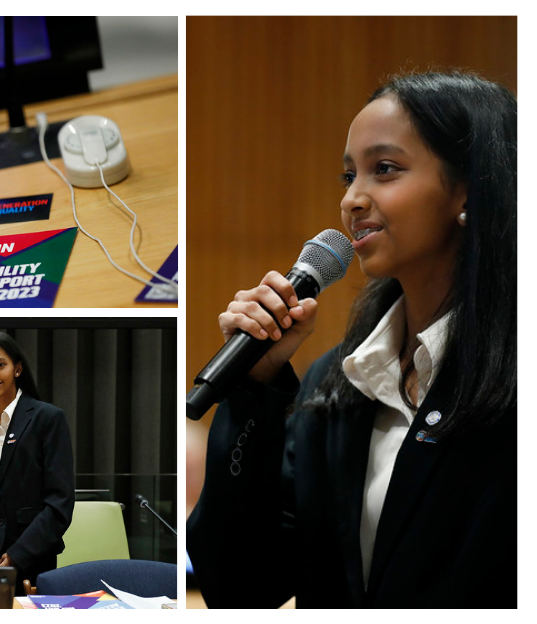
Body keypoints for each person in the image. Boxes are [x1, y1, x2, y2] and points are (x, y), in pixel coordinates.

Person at [188, 72, 517, 608]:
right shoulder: (336, 383)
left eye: (384, 169)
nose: (353, 200)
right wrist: (255, 389)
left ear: (470, 191)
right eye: (349, 176)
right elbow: (241, 588)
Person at [0, 332, 74, 590]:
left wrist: (18, 555)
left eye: (0, 365)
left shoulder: (47, 419)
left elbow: (59, 502)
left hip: (33, 557)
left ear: (17, 368)